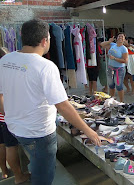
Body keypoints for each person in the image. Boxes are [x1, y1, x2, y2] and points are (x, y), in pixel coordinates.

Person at [0, 19, 101, 185]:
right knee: (43, 178)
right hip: (39, 134)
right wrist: (88, 131)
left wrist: (12, 114)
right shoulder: (45, 66)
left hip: (15, 128)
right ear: (44, 41)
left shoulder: (5, 61)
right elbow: (62, 105)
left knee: (35, 162)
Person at [0, 47, 30, 184]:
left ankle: (5, 172)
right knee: (11, 147)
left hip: (3, 118)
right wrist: (8, 114)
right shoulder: (4, 73)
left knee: (4, 145)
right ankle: (18, 176)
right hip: (6, 117)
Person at [100, 33, 128, 102]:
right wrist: (109, 41)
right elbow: (102, 45)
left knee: (119, 86)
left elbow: (125, 60)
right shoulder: (113, 45)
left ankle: (121, 101)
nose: (120, 38)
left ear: (124, 39)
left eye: (122, 37)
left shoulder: (124, 49)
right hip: (110, 68)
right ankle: (112, 100)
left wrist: (114, 58)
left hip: (119, 69)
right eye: (119, 36)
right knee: (111, 85)